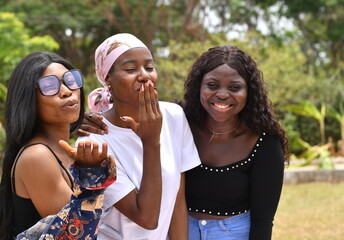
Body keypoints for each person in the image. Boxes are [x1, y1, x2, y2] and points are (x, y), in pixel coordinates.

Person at [76, 33, 201, 240]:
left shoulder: (173, 116)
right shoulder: (95, 141)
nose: (144, 75)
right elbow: (146, 218)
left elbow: (177, 201)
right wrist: (151, 141)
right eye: (131, 69)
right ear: (108, 78)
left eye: (149, 67)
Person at [0, 52, 116, 240]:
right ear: (28, 99)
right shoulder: (37, 156)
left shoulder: (63, 149)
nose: (66, 91)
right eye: (49, 86)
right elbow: (77, 234)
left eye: (71, 80)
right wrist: (91, 176)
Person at [183, 45, 290, 240]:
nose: (222, 94)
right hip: (179, 230)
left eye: (234, 87)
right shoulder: (180, 125)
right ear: (199, 86)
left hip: (233, 234)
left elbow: (263, 221)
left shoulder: (265, 142)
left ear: (249, 92)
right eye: (212, 85)